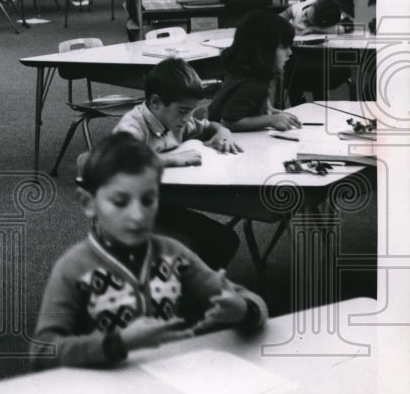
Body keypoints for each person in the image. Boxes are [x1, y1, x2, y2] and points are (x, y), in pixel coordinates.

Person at [31, 133, 267, 369]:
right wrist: (117, 344)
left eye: (148, 200)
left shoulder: (173, 255)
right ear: (88, 203)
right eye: (120, 202)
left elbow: (248, 299)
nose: (138, 215)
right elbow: (42, 351)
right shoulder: (74, 267)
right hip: (100, 393)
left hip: (167, 383)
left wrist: (245, 311)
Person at [113, 58, 242, 269]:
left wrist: (223, 133)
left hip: (164, 203)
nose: (188, 118)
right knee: (189, 252)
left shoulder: (176, 120)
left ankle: (194, 292)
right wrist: (171, 159)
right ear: (155, 103)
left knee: (225, 241)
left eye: (192, 111)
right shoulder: (133, 125)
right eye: (183, 111)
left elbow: (209, 127)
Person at [207, 9, 302, 132]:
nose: (290, 52)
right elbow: (228, 122)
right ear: (263, 51)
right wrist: (271, 120)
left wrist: (272, 113)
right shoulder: (253, 84)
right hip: (224, 139)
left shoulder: (249, 74)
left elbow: (254, 107)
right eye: (284, 47)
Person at [280, 0, 351, 104]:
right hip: (296, 57)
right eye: (307, 13)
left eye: (309, 20)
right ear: (313, 5)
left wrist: (313, 29)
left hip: (318, 58)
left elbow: (348, 27)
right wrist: (290, 29)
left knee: (319, 83)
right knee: (294, 83)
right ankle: (299, 107)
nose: (304, 17)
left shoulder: (328, 17)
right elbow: (277, 21)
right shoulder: (301, 7)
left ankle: (320, 106)